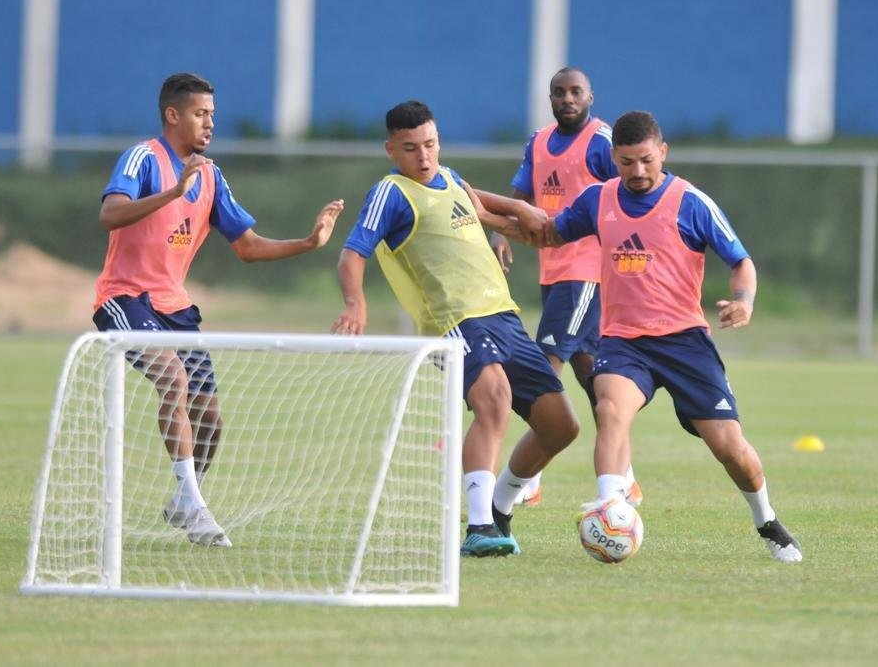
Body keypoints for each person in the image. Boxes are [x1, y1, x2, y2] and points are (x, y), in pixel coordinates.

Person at [93, 72, 345, 548]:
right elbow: (110, 214)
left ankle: (185, 498)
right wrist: (169, 194)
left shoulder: (209, 174)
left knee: (210, 418)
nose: (210, 123)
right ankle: (194, 503)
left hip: (176, 306)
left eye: (212, 114)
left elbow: (248, 247)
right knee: (173, 376)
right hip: (125, 298)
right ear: (173, 115)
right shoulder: (144, 157)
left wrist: (310, 243)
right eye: (199, 113)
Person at [543, 110, 803, 563]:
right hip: (623, 341)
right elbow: (548, 232)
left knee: (729, 447)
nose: (637, 171)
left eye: (646, 160)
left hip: (684, 342)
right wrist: (486, 212)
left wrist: (743, 301)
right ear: (614, 158)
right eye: (626, 162)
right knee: (610, 409)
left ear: (662, 153)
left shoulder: (690, 202)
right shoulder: (598, 199)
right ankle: (611, 507)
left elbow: (741, 261)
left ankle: (767, 521)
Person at [331, 100, 580, 557]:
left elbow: (478, 202)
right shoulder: (392, 193)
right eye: (410, 149)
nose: (423, 157)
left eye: (429, 144)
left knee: (561, 426)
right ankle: (479, 526)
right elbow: (352, 253)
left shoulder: (450, 179)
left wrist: (519, 212)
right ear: (391, 150)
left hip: (504, 316)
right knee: (495, 399)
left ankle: (500, 507)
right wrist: (356, 305)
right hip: (455, 321)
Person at [490, 67, 641, 509]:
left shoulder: (600, 141)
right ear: (550, 97)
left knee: (544, 362)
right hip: (552, 270)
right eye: (559, 92)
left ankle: (529, 474)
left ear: (591, 95)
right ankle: (626, 476)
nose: (567, 98)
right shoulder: (538, 141)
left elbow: (626, 194)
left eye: (576, 91)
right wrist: (501, 234)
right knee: (591, 374)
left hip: (588, 270)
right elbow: (522, 194)